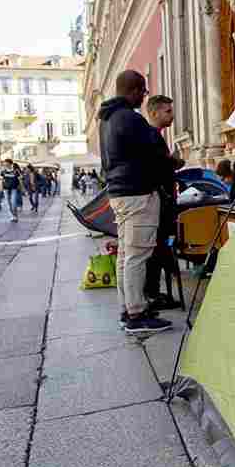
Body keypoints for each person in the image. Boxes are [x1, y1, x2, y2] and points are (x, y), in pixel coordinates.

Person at [99, 69, 173, 335]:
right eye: (142, 91)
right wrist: (170, 165)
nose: (144, 96)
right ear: (133, 90)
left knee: (126, 254)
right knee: (137, 254)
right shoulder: (131, 119)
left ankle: (127, 307)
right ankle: (137, 314)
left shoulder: (107, 119)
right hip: (138, 192)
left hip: (119, 192)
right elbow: (154, 156)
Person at [143, 95, 184, 311]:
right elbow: (158, 167)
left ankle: (155, 292)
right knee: (159, 248)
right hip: (161, 203)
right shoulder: (151, 136)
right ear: (154, 113)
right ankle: (152, 293)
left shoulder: (155, 136)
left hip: (165, 201)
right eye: (167, 111)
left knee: (162, 247)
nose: (172, 115)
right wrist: (174, 162)